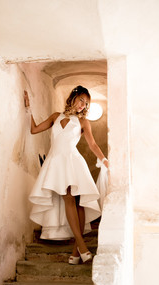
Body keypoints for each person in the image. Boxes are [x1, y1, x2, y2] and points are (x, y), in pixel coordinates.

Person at [25, 85, 109, 264]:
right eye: (81, 100)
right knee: (69, 199)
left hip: (73, 161)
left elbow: (93, 145)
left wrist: (104, 160)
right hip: (56, 162)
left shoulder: (83, 122)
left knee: (77, 203)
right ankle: (80, 247)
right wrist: (27, 110)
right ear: (74, 97)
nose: (82, 105)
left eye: (86, 103)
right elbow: (34, 129)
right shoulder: (56, 116)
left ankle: (78, 250)